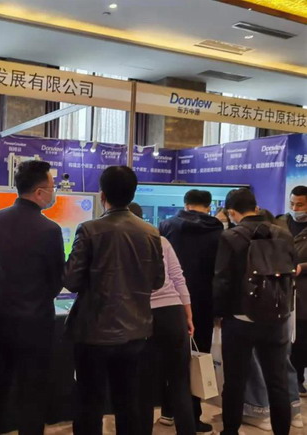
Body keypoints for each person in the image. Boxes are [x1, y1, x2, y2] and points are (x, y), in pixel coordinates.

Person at [63, 166, 165, 435]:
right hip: (135, 331)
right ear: (133, 194)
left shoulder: (89, 229)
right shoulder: (151, 232)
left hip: (92, 332)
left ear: (102, 195)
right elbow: (158, 281)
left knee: (89, 401)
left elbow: (71, 280)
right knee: (128, 401)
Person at [0, 160, 65, 435]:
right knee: (31, 389)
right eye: (52, 187)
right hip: (34, 322)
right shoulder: (50, 230)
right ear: (39, 192)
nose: (54, 192)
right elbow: (56, 279)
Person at [214, 188, 296, 435]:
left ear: (232, 212)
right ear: (256, 207)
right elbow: (290, 272)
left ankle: (230, 431)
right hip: (277, 317)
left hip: (239, 318)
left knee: (235, 381)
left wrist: (218, 314)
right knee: (278, 381)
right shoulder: (283, 234)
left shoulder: (230, 236)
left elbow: (222, 280)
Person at [159, 189, 223, 433]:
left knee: (170, 357)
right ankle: (192, 416)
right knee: (198, 358)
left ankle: (167, 410)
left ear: (185, 204)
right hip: (204, 302)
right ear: (208, 206)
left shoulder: (167, 226)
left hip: (171, 302)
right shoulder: (218, 230)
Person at [130, 203, 195, 435]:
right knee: (180, 382)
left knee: (143, 386)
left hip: (140, 315)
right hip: (173, 313)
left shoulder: (122, 242)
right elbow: (178, 277)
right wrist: (188, 313)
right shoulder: (161, 241)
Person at [277, 186, 307, 397]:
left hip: (304, 293)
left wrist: (302, 267)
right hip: (279, 289)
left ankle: (297, 379)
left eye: (300, 205)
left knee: (301, 338)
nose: (295, 208)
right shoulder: (279, 222)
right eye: (292, 204)